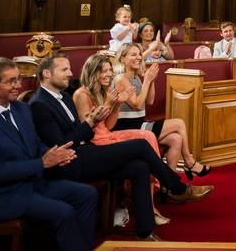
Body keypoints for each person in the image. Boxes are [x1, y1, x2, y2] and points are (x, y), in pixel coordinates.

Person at [28, 54, 213, 242]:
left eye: (69, 68)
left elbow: (86, 129)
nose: (70, 73)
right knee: (141, 145)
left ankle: (145, 231)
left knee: (139, 167)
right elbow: (62, 144)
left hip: (85, 151)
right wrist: (91, 121)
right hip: (70, 162)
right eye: (64, 70)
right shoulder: (39, 104)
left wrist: (98, 117)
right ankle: (176, 187)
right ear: (47, 73)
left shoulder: (64, 96)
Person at [0, 57, 95, 251]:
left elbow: (35, 144)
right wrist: (41, 163)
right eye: (11, 81)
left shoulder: (21, 108)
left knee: (87, 194)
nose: (18, 85)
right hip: (1, 196)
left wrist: (54, 155)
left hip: (31, 184)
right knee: (63, 212)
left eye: (19, 79)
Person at [74, 53, 169, 226]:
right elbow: (87, 131)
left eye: (110, 70)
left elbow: (108, 125)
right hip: (95, 143)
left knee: (148, 136)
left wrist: (116, 105)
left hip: (106, 134)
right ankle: (162, 185)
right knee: (144, 141)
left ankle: (151, 192)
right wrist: (111, 103)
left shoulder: (102, 91)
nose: (109, 75)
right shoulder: (81, 94)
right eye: (104, 71)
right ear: (92, 72)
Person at [113, 43, 210, 178]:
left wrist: (151, 81)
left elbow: (149, 101)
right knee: (179, 123)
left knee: (176, 139)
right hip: (126, 127)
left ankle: (168, 182)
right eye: (133, 55)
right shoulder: (120, 78)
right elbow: (137, 104)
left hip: (139, 123)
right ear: (123, 59)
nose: (138, 57)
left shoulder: (135, 77)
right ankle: (189, 161)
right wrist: (147, 80)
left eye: (139, 54)